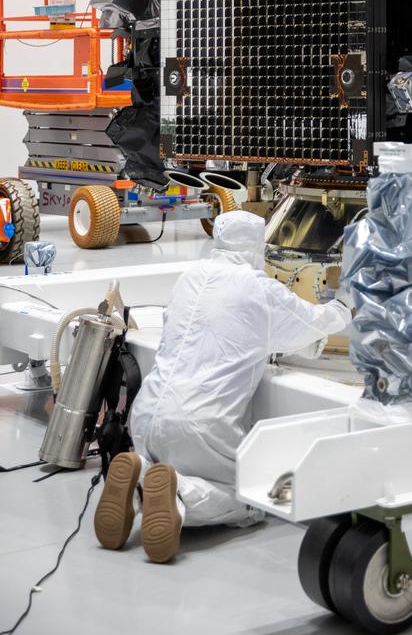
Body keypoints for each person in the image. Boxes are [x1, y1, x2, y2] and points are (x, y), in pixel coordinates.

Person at [94, 210, 351, 563]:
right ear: (257, 246)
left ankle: (139, 482)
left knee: (168, 464)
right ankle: (179, 497)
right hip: (202, 424)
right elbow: (311, 322)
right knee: (249, 499)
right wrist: (346, 304)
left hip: (149, 413)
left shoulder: (189, 277)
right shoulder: (259, 289)